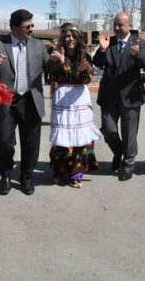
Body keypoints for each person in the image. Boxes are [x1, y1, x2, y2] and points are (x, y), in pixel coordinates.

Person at [0, 9, 50, 195]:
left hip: (30, 100)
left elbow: (49, 66)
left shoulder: (38, 45)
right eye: (26, 26)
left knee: (31, 143)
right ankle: (5, 174)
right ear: (13, 28)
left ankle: (26, 177)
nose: (31, 29)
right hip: (6, 100)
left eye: (32, 25)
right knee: (5, 142)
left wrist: (55, 61)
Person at [92, 12, 145, 181]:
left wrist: (136, 54)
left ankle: (128, 163)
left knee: (129, 134)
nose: (117, 28)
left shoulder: (139, 43)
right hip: (109, 96)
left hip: (131, 97)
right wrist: (102, 50)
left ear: (130, 26)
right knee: (108, 129)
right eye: (115, 25)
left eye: (121, 25)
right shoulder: (108, 43)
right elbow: (97, 62)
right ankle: (118, 151)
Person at [47, 23, 100, 187]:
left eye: (73, 36)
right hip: (63, 99)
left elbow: (85, 79)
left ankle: (75, 174)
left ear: (78, 38)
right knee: (63, 136)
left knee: (79, 136)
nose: (70, 39)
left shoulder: (84, 55)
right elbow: (53, 75)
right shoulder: (56, 54)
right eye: (67, 36)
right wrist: (58, 62)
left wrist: (78, 70)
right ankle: (60, 171)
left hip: (79, 98)